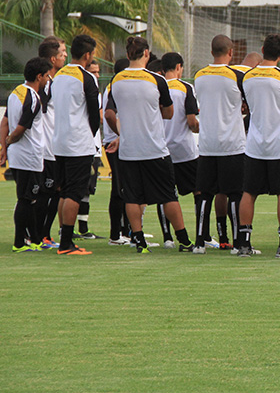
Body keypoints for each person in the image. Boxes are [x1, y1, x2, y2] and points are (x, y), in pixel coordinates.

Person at [105, 37, 193, 254]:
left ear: (127, 56)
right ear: (146, 54)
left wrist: (121, 133)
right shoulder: (156, 80)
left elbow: (108, 114)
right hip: (154, 148)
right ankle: (183, 240)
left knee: (132, 197)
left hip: (128, 150)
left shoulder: (116, 80)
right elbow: (169, 112)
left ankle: (139, 241)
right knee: (168, 195)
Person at [235, 34, 280, 258]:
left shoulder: (247, 77)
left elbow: (247, 104)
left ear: (262, 49)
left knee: (249, 192)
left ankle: (243, 244)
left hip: (254, 143)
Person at [193, 35, 248, 252]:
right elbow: (248, 103)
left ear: (211, 51)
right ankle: (237, 244)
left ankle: (199, 243)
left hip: (207, 144)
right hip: (232, 144)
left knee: (205, 194)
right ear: (231, 52)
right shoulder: (237, 75)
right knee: (234, 194)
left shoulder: (199, 75)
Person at [50, 34, 101, 255]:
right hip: (77, 144)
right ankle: (66, 245)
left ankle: (64, 238)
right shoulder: (86, 78)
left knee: (63, 192)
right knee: (74, 193)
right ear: (88, 55)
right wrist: (89, 135)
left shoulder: (59, 75)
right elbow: (94, 114)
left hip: (59, 142)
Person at [0, 57, 52, 252]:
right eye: (47, 76)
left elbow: (4, 122)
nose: (48, 79)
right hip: (29, 155)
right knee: (26, 199)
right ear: (39, 76)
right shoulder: (32, 97)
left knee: (27, 198)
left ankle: (34, 240)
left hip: (18, 155)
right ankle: (19, 243)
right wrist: (10, 140)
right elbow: (22, 126)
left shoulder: (15, 93)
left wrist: (5, 148)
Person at [158, 52, 207, 249]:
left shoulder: (157, 86)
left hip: (162, 149)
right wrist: (199, 127)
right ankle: (201, 236)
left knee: (165, 194)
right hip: (185, 151)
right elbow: (191, 121)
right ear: (179, 67)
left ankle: (168, 237)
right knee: (198, 192)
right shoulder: (186, 88)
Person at [35, 37, 67, 248]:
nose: (66, 56)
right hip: (47, 149)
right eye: (63, 53)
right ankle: (39, 236)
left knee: (57, 192)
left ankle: (42, 234)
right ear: (53, 58)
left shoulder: (55, 83)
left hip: (57, 148)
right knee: (46, 194)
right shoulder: (44, 86)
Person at [103, 58, 132, 245]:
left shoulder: (112, 87)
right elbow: (109, 114)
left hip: (116, 141)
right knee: (119, 189)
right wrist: (121, 134)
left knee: (124, 188)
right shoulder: (115, 88)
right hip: (115, 143)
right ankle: (116, 234)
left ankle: (126, 232)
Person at [74, 60, 104, 240]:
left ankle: (83, 228)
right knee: (76, 189)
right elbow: (98, 115)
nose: (97, 76)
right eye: (93, 72)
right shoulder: (85, 90)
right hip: (84, 146)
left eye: (98, 72)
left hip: (95, 148)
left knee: (88, 190)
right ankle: (68, 229)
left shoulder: (96, 90)